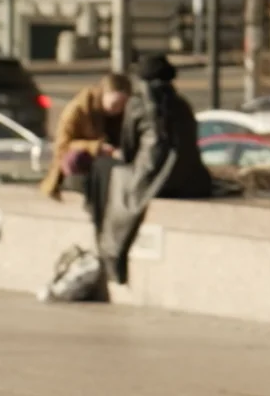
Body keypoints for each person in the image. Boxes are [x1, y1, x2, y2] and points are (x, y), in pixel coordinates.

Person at [84, 53, 212, 284]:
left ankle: (109, 252)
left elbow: (129, 148)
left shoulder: (138, 104)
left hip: (156, 179)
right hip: (191, 179)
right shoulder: (183, 104)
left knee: (105, 171)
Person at [41, 72, 131, 201]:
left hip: (113, 160)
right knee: (75, 159)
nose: (118, 109)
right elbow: (63, 145)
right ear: (103, 94)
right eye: (115, 104)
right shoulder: (78, 109)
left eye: (123, 104)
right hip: (84, 160)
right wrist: (96, 147)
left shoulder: (126, 114)